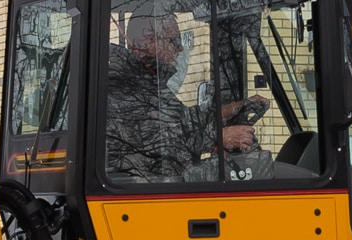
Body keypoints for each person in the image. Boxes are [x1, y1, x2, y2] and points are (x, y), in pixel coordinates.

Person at [104, 11, 265, 184]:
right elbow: (162, 148)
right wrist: (219, 137)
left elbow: (182, 120)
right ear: (149, 41)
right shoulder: (125, 85)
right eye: (174, 41)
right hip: (144, 193)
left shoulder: (149, 83)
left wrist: (228, 111)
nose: (180, 48)